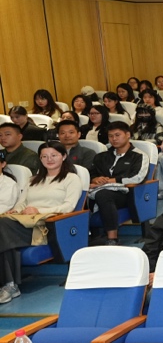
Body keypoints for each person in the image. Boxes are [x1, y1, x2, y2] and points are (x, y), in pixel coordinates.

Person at [0, 143, 85, 301]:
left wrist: (39, 211)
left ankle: (10, 285)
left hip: (49, 224)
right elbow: (22, 203)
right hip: (25, 222)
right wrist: (16, 211)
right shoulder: (33, 180)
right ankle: (10, 285)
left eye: (53, 155)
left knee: (3, 228)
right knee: (4, 228)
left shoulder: (71, 179)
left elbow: (69, 207)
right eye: (44, 156)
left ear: (63, 156)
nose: (49, 159)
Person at [88, 122, 149, 244]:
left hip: (126, 193)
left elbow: (138, 177)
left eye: (117, 135)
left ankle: (113, 238)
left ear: (128, 135)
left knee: (104, 195)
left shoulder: (139, 156)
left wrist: (113, 180)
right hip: (98, 189)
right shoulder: (101, 156)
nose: (114, 139)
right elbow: (91, 173)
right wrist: (95, 179)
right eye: (110, 136)